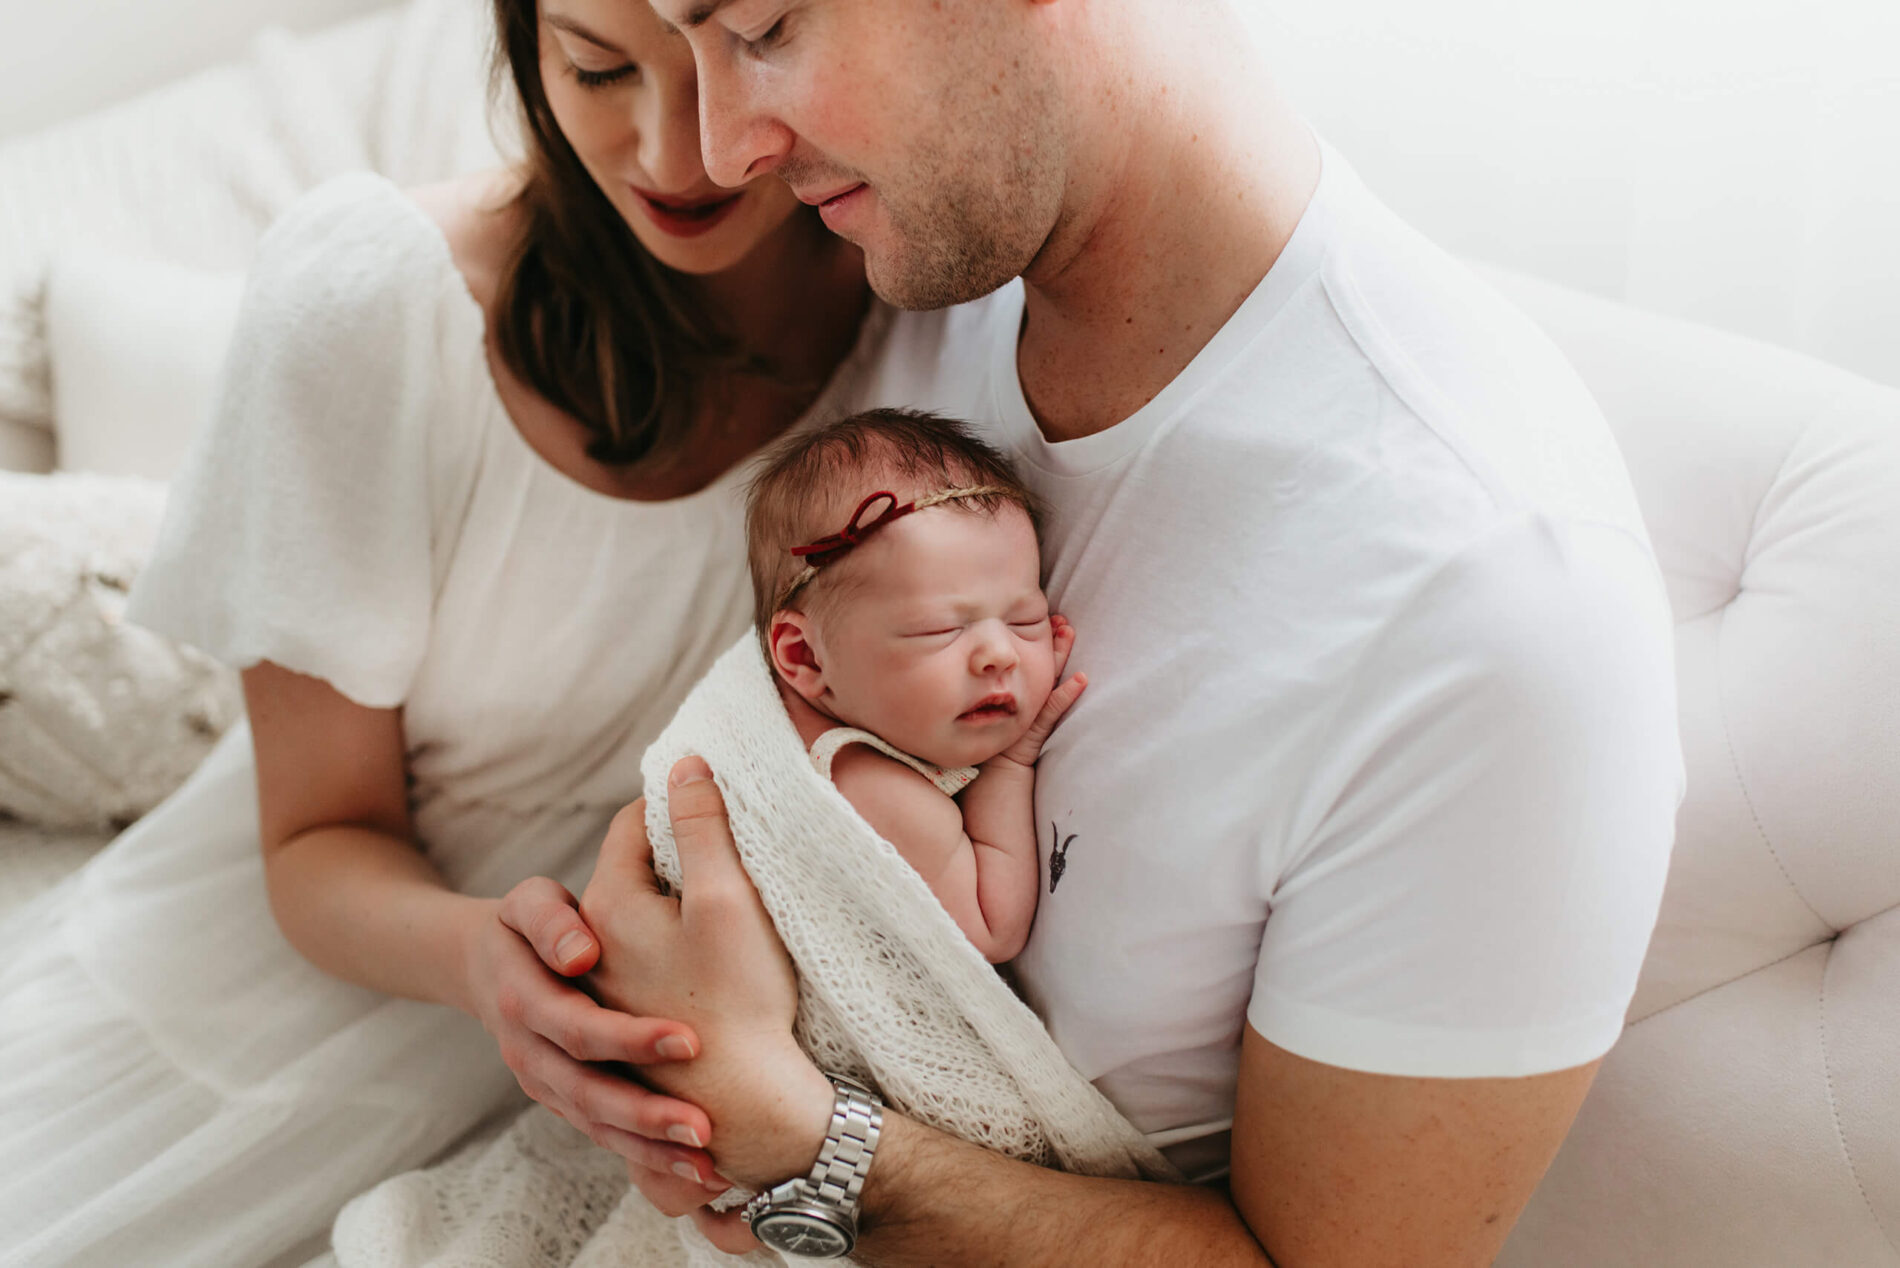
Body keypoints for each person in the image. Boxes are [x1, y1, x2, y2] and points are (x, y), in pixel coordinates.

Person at [551, 0, 1687, 1263]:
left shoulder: (1487, 605)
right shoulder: (917, 259)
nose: (724, 152)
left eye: (766, 26)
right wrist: (586, 1005)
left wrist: (792, 1137)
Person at [0, 0, 884, 1262]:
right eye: (596, 66)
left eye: (739, 48)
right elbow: (315, 839)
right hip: (231, 1041)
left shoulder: (922, 303)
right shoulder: (371, 298)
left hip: (601, 1103)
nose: (672, 152)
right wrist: (490, 962)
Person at [747, 408, 1084, 962]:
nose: (1001, 654)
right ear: (804, 656)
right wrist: (1010, 763)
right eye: (940, 629)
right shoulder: (873, 788)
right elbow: (992, 930)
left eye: (1025, 620)